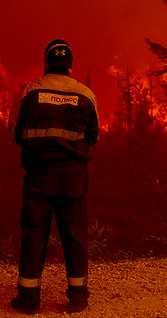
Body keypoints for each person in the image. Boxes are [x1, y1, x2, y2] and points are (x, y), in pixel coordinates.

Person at [8, 39, 99, 314]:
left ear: (46, 62)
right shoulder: (85, 94)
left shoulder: (30, 91)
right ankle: (78, 297)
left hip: (39, 175)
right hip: (73, 177)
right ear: (69, 65)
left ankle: (28, 300)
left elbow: (15, 132)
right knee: (74, 235)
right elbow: (93, 136)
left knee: (34, 234)